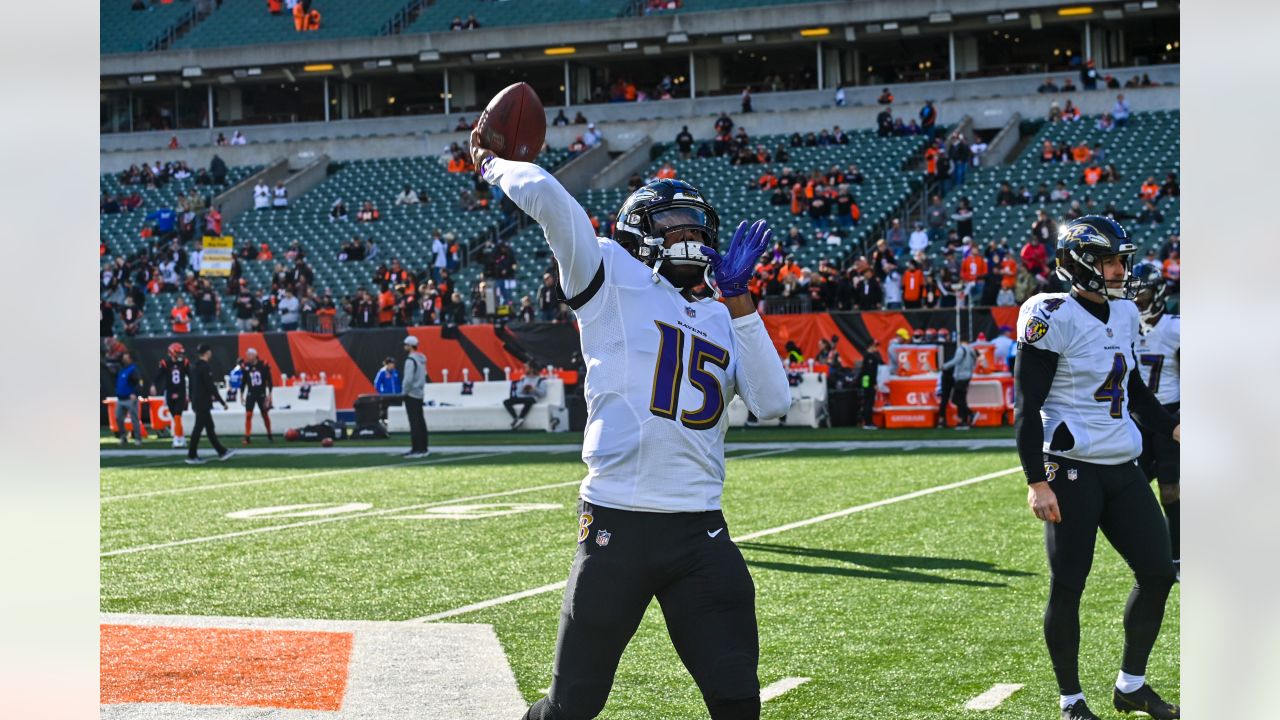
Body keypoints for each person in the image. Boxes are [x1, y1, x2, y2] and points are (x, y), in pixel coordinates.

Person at [473, 122, 791, 719]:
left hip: (700, 530)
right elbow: (545, 192)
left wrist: (742, 301)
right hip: (616, 524)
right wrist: (490, 162)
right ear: (640, 229)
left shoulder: (723, 316)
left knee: (737, 702)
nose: (692, 238)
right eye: (676, 226)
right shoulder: (609, 275)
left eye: (699, 228)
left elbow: (773, 402)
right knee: (572, 707)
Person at [1015, 216, 1181, 720]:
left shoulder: (1125, 313)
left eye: (1120, 260)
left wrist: (1175, 429)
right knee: (1070, 585)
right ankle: (1071, 700)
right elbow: (1027, 407)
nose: (1119, 270)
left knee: (1157, 573)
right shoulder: (1049, 313)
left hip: (1122, 463)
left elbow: (1133, 392)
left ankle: (1130, 685)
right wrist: (1036, 481)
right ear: (1081, 264)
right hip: (1069, 469)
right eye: (1109, 260)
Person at [1132, 266, 1181, 579]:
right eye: (1134, 293)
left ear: (1159, 294)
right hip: (1137, 417)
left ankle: (1178, 556)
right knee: (1132, 488)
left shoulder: (1176, 328)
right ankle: (1147, 553)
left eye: (1144, 293)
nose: (1137, 299)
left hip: (1170, 416)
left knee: (1171, 490)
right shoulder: (1126, 325)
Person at [187, 344, 235, 465]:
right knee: (198, 429)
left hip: (198, 401)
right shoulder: (204, 367)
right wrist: (222, 402)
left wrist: (192, 401)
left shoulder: (193, 366)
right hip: (203, 402)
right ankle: (191, 455)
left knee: (209, 428)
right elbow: (210, 387)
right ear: (207, 352)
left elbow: (191, 386)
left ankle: (221, 451)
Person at [154, 343, 190, 449]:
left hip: (181, 392)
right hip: (170, 392)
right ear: (172, 353)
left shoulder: (185, 363)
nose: (180, 355)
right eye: (178, 353)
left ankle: (177, 438)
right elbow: (158, 376)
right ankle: (181, 437)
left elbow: (191, 375)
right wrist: (153, 385)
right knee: (175, 417)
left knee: (178, 416)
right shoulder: (165, 363)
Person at [402, 335, 429, 458]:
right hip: (419, 393)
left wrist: (404, 392)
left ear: (409, 346)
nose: (404, 347)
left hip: (411, 394)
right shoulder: (421, 359)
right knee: (420, 421)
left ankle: (416, 449)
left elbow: (408, 379)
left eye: (406, 345)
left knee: (414, 423)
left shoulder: (410, 360)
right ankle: (423, 448)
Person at [240, 348, 274, 444]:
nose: (248, 357)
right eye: (247, 355)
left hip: (261, 393)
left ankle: (269, 434)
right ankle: (247, 437)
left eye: (250, 354)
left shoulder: (263, 365)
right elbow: (243, 381)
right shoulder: (246, 366)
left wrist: (270, 394)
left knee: (265, 414)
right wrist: (241, 394)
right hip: (251, 393)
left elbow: (269, 380)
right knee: (248, 415)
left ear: (255, 355)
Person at [941, 338, 976, 428]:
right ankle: (963, 420)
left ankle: (971, 413)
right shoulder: (971, 350)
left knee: (955, 399)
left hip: (961, 376)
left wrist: (945, 366)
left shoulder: (961, 349)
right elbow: (975, 361)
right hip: (968, 375)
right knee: (962, 398)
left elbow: (956, 361)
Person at [504, 360, 547, 429]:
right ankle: (516, 418)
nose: (525, 369)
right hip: (522, 397)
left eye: (526, 367)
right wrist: (523, 390)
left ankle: (521, 417)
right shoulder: (524, 379)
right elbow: (518, 392)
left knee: (529, 401)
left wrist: (534, 389)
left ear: (532, 369)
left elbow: (543, 393)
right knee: (506, 402)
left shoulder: (540, 380)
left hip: (532, 398)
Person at [115, 352, 144, 446]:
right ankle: (123, 437)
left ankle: (138, 438)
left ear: (130, 359)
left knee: (134, 419)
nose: (124, 360)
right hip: (120, 399)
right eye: (124, 358)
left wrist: (135, 393)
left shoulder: (133, 369)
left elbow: (140, 382)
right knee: (118, 418)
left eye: (126, 358)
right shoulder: (122, 370)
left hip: (130, 399)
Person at [855, 340, 882, 430]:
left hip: (866, 381)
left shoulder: (868, 356)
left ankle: (866, 421)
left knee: (868, 402)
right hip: (869, 382)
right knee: (869, 402)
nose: (876, 348)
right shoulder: (870, 357)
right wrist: (874, 383)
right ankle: (868, 422)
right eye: (875, 346)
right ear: (871, 346)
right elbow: (870, 372)